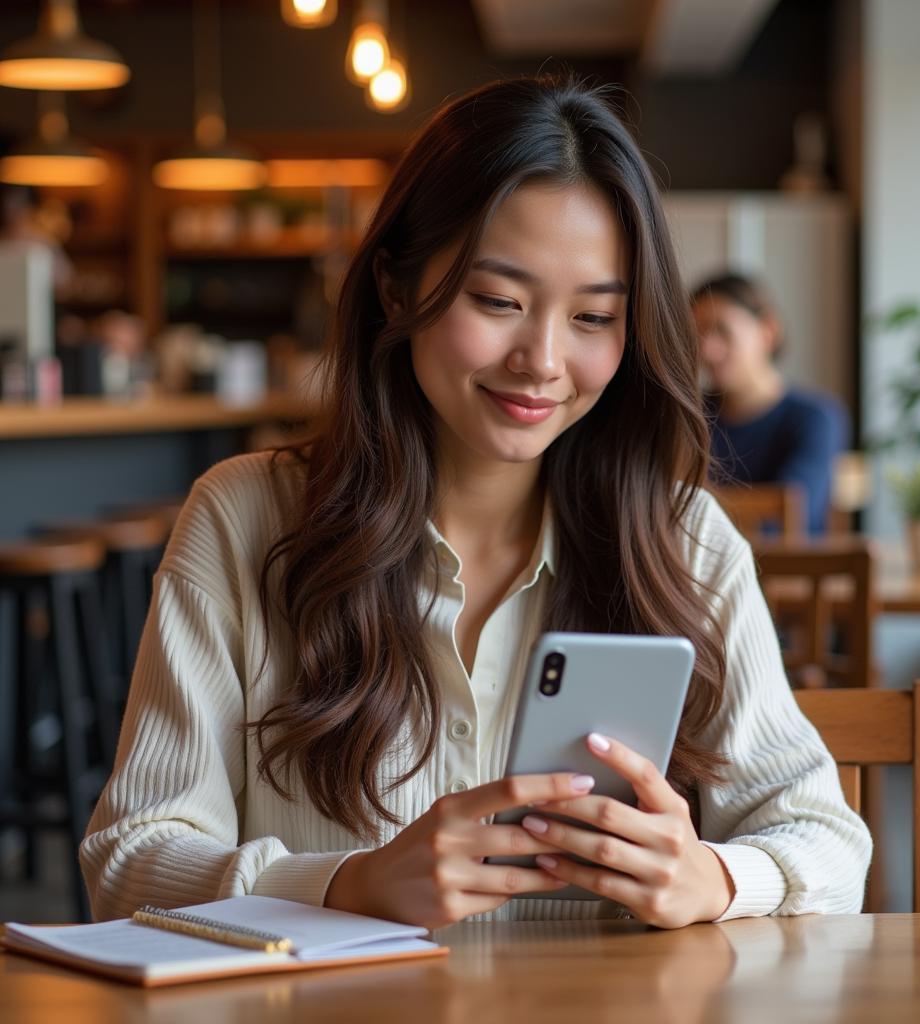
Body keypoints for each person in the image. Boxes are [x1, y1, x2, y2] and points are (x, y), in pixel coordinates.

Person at [81, 76, 870, 929]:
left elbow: (827, 841)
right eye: (497, 301)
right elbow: (128, 861)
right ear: (395, 289)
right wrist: (344, 887)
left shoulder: (682, 541)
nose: (541, 359)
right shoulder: (244, 520)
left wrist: (711, 878)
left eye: (594, 317)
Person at [692, 273, 850, 534]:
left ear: (768, 330)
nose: (707, 350)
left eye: (722, 330)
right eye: (698, 334)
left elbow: (792, 518)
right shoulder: (687, 414)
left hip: (786, 571)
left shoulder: (815, 418)